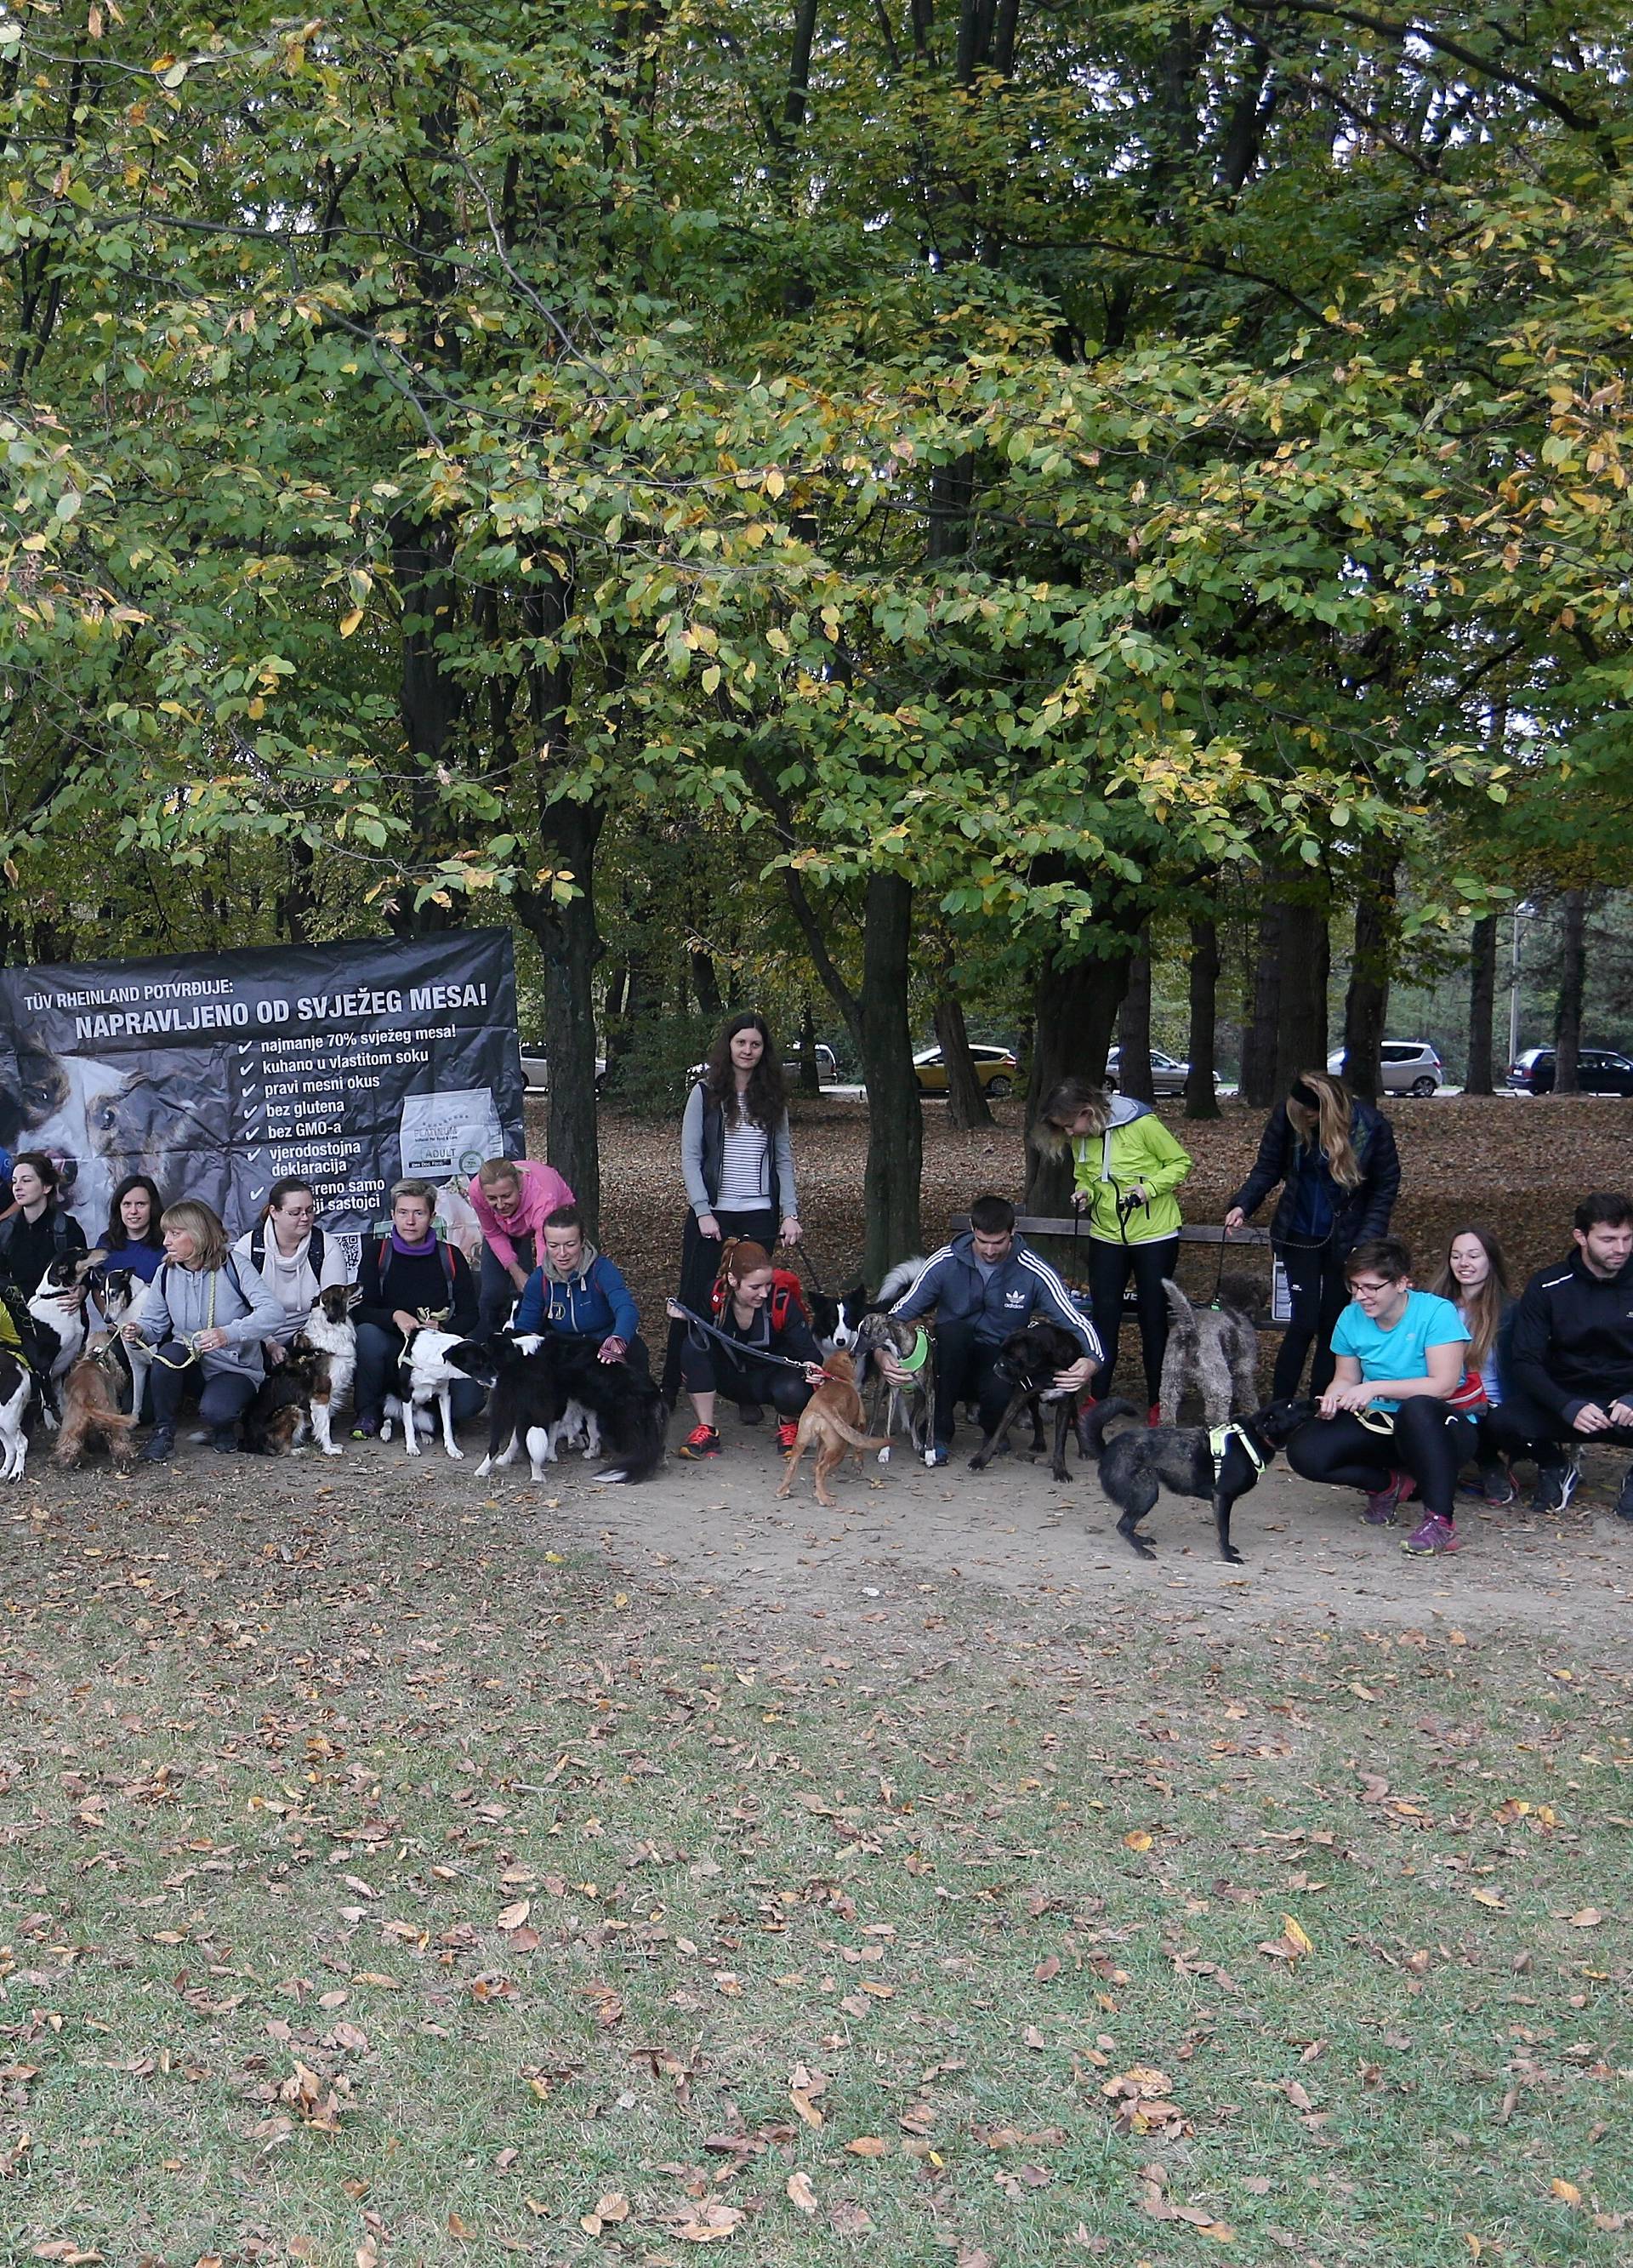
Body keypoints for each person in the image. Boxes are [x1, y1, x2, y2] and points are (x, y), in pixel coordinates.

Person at [1286, 1236, 1474, 1558]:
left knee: (1418, 1410)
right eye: (1355, 1287)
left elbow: (1442, 1384)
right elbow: (1345, 1378)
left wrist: (1374, 1388)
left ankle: (1441, 1521)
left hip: (1442, 1427)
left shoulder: (1436, 1312)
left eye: (1371, 1287)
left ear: (1401, 1283)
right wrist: (1333, 1399)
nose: (1361, 1297)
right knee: (1305, 1449)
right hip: (1380, 1422)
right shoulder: (1350, 1317)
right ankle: (1387, 1485)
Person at [882, 1194, 1101, 1467]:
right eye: (982, 1242)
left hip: (999, 1357)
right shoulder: (945, 1261)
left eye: (998, 1242)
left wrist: (1092, 1360)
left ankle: (993, 1429)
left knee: (1005, 1368)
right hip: (950, 1357)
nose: (989, 1251)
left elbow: (1075, 1319)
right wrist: (883, 1355)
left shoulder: (1033, 1270)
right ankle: (938, 1432)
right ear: (972, 1231)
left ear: (1013, 1231)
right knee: (952, 1332)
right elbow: (895, 1316)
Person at [1224, 1069, 1400, 1398]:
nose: (1304, 1117)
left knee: (1333, 1324)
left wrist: (1365, 1240)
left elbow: (1384, 1188)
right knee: (1303, 1323)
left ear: (1329, 1109)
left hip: (1348, 1238)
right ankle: (1280, 1405)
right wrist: (1243, 1205)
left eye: (1311, 1112)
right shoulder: (1288, 1118)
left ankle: (1321, 1402)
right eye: (1298, 1111)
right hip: (1299, 1232)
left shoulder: (1370, 1126)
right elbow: (1267, 1167)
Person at [661, 1013, 803, 1410]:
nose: (747, 1051)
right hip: (713, 1215)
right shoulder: (705, 1094)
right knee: (693, 1300)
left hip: (758, 1214)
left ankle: (747, 1389)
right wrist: (703, 1210)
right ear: (729, 1046)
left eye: (755, 1045)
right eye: (741, 1043)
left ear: (763, 1050)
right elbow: (691, 1158)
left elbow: (783, 1159)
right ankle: (669, 1387)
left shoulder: (772, 1097)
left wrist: (789, 1212)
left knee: (750, 1301)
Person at [1036, 1076, 1192, 1424]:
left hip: (1155, 1235)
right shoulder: (1082, 1137)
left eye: (1070, 1126)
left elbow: (1180, 1164)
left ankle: (1159, 1401)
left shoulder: (1143, 1124)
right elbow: (1087, 1176)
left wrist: (1148, 1189)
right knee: (1103, 1318)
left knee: (1154, 1320)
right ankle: (1097, 1396)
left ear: (1088, 1112)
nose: (1070, 1134)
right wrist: (1084, 1193)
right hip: (1106, 1235)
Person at [1492, 1193, 1633, 1519]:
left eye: (1627, 1238)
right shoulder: (1548, 1286)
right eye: (1609, 1239)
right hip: (1569, 1399)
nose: (1621, 1249)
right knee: (1502, 1423)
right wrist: (1566, 1405)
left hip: (1626, 1400)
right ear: (1581, 1237)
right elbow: (1525, 1361)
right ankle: (1554, 1465)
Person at [121, 1200, 287, 1461]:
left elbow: (274, 1313)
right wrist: (138, 1332)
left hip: (234, 1367)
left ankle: (225, 1426)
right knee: (166, 1356)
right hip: (191, 1361)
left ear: (198, 1234)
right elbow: (153, 1325)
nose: (166, 1242)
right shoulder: (166, 1272)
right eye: (167, 1234)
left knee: (217, 1411)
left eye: (175, 1234)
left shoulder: (234, 1264)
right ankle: (163, 1433)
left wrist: (228, 1334)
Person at [667, 1237, 826, 1457]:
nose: (764, 1293)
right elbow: (703, 1332)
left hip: (773, 1379)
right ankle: (707, 1429)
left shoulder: (781, 1302)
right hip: (731, 1376)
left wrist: (814, 1368)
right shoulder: (715, 1294)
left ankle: (788, 1424)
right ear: (733, 1280)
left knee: (795, 1387)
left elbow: (809, 1352)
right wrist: (687, 1317)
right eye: (755, 1287)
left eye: (768, 1284)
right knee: (694, 1346)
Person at [351, 1178, 482, 1439]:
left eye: (419, 1213)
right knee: (367, 1336)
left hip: (436, 1349)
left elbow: (470, 1314)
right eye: (403, 1213)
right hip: (394, 1349)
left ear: (432, 1217)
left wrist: (443, 1328)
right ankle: (370, 1410)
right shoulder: (378, 1252)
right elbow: (360, 1310)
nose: (410, 1221)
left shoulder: (451, 1256)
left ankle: (432, 1413)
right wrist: (394, 1316)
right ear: (393, 1216)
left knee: (469, 1403)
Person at [1428, 1227, 1516, 1506]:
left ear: (1490, 1260)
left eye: (1473, 1255)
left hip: (1491, 1403)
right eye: (1456, 1256)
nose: (1464, 1263)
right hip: (1444, 1395)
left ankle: (1490, 1464)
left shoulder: (1510, 1311)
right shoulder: (1433, 1306)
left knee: (1479, 1414)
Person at [515, 1205, 649, 1376]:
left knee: (636, 1351)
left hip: (603, 1344)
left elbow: (625, 1308)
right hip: (564, 1350)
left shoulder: (601, 1270)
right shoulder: (539, 1280)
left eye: (570, 1244)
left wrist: (619, 1338)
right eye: (554, 1245)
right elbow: (526, 1327)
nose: (562, 1253)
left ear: (582, 1241)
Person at [231, 1177, 350, 1358]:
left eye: (310, 1211)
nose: (305, 1218)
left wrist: (302, 1343)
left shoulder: (327, 1246)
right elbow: (239, 1309)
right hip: (257, 1338)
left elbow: (333, 1310)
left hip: (310, 1337)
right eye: (295, 1213)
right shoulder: (248, 1247)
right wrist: (270, 1345)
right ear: (274, 1212)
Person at [467, 1156, 575, 1335]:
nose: (500, 1204)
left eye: (506, 1196)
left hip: (552, 1224)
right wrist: (516, 1272)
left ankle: (536, 1340)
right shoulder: (475, 1190)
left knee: (538, 1293)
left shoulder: (544, 1198)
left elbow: (545, 1250)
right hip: (505, 1227)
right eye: (492, 1198)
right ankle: (486, 1344)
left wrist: (541, 1286)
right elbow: (492, 1232)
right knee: (492, 1293)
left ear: (519, 1186)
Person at [0, 1151, 88, 1296]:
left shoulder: (68, 1229)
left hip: (61, 1314)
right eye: (15, 1181)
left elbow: (84, 1276)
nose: (17, 1187)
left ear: (47, 1186)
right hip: (19, 1315)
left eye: (26, 1180)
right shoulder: (5, 1230)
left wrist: (82, 1291)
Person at [101, 1173, 168, 1285]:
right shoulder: (106, 1242)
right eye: (127, 1204)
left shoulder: (167, 1242)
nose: (133, 1211)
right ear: (119, 1207)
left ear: (153, 1207)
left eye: (140, 1204)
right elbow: (97, 1289)